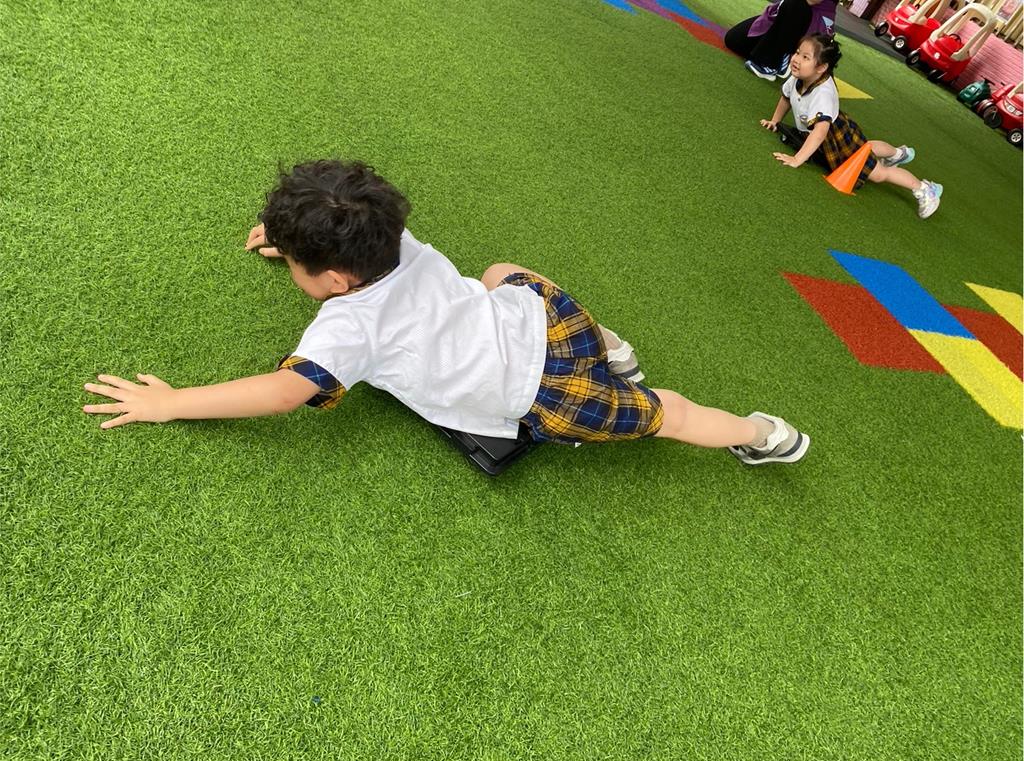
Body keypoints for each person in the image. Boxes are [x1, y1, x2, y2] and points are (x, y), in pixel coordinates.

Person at [82, 160, 809, 466]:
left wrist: (169, 403)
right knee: (498, 273)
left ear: (332, 279)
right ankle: (612, 346)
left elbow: (280, 392)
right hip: (549, 318)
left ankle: (765, 436)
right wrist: (293, 237)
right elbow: (346, 230)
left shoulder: (348, 328)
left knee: (669, 412)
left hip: (543, 391)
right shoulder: (393, 237)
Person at [761, 34, 943, 218]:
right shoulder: (798, 77)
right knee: (865, 147)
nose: (796, 59)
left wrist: (797, 159)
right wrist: (775, 121)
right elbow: (786, 98)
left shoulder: (823, 93)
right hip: (827, 134)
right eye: (797, 53)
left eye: (805, 57)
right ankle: (898, 153)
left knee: (878, 174)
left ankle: (925, 188)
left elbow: (820, 132)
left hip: (834, 135)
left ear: (821, 68)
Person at [725, 0, 837, 80]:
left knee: (795, 3)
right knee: (734, 41)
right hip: (791, 13)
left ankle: (774, 62)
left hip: (810, 18)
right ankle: (777, 53)